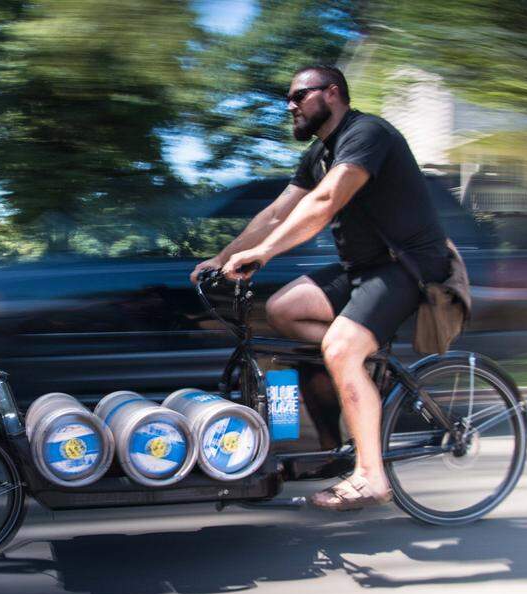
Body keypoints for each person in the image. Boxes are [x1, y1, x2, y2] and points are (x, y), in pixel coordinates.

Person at [190, 65, 450, 511]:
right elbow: (277, 213)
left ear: (331, 93)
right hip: (362, 268)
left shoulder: (367, 134)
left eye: (298, 96)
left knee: (339, 349)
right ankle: (340, 432)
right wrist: (221, 257)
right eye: (287, 98)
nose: (289, 106)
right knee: (284, 310)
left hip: (407, 264)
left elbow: (326, 201)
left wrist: (264, 253)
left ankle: (371, 477)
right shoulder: (318, 154)